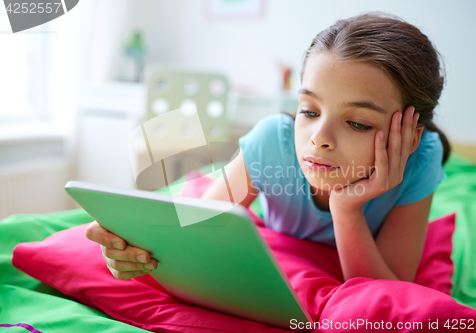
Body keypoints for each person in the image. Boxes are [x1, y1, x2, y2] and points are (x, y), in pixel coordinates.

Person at [86, 12, 450, 283]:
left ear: (411, 134)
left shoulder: (421, 159)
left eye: (358, 123)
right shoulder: (272, 144)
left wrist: (346, 208)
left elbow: (389, 292)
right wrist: (133, 252)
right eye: (309, 110)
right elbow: (189, 237)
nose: (318, 138)